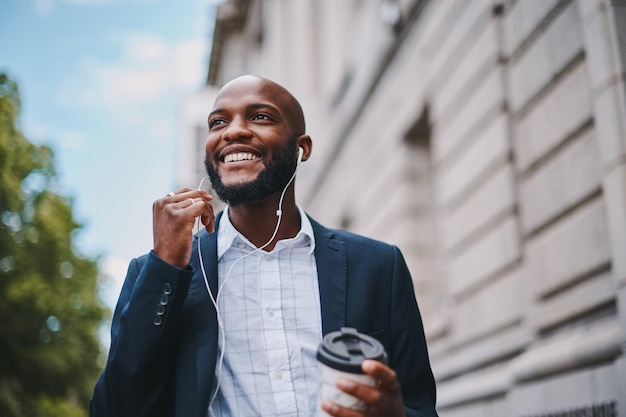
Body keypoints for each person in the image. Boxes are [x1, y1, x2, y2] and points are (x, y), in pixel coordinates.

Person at [89, 75, 438, 417]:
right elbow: (114, 408)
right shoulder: (160, 272)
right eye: (217, 122)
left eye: (260, 117)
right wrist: (164, 267)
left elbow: (420, 406)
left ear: (302, 148)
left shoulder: (379, 266)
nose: (232, 131)